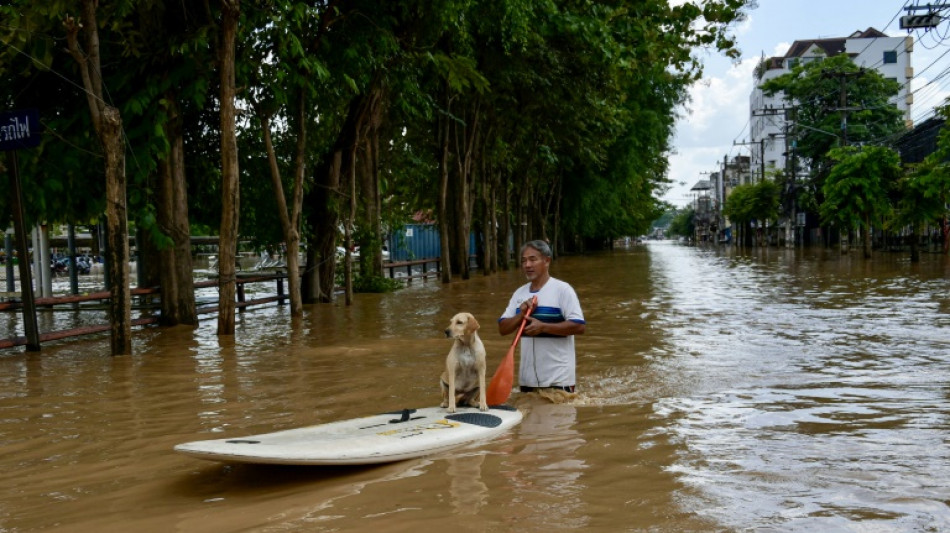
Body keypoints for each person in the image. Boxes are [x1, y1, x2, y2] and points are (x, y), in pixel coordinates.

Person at [498, 240, 585, 393]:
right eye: (524, 261)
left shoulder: (563, 290)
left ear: (547, 261)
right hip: (527, 381)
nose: (527, 265)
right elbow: (502, 329)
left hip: (559, 380)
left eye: (533, 259)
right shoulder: (519, 293)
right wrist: (521, 315)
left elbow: (579, 326)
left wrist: (543, 327)